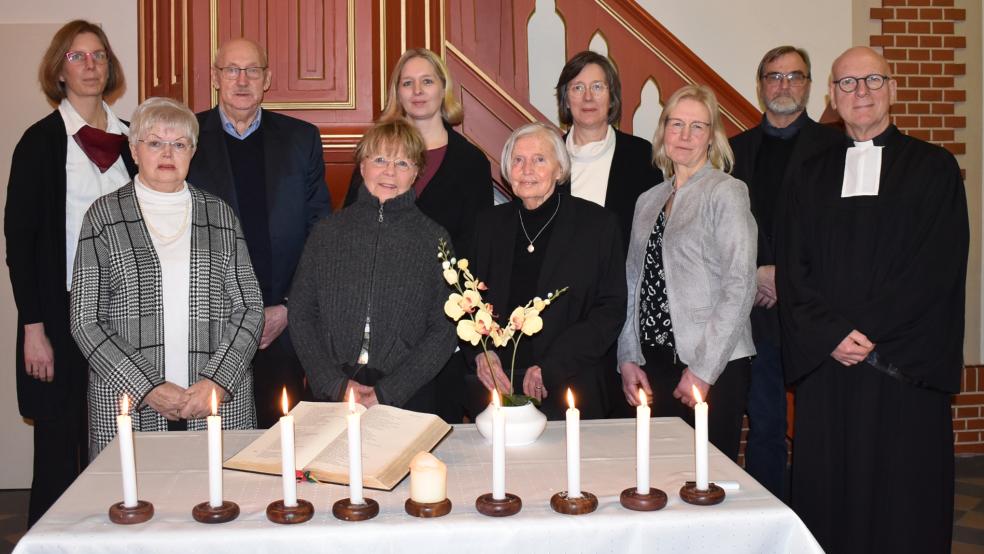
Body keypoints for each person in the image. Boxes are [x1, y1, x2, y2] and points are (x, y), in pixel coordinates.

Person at [777, 46, 968, 554]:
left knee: (903, 506)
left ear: (893, 89)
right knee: (829, 501)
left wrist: (865, 332)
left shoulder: (935, 168)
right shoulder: (809, 174)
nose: (860, 92)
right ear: (832, 99)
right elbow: (793, 269)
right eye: (847, 84)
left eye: (872, 81)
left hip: (900, 370)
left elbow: (936, 266)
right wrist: (830, 335)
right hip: (829, 368)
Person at [70, 97, 264, 456]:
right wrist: (147, 387)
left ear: (192, 152)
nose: (167, 153)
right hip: (130, 402)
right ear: (133, 149)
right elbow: (86, 320)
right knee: (133, 505)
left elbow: (250, 308)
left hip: (216, 401)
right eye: (155, 142)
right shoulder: (104, 218)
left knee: (219, 504)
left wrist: (217, 381)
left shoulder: (220, 215)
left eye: (179, 144)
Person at [4, 20, 136, 526]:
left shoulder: (130, 139)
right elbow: (20, 244)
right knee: (59, 444)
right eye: (77, 57)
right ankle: (54, 539)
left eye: (99, 55)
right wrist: (33, 328)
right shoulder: (39, 143)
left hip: (125, 314)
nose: (90, 66)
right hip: (58, 314)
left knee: (122, 432)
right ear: (58, 70)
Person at [342, 48, 493, 422]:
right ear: (398, 92)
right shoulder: (375, 152)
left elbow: (476, 247)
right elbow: (350, 228)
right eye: (407, 83)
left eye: (427, 81)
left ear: (444, 89)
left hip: (437, 323)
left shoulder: (471, 162)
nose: (418, 90)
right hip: (374, 322)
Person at [187, 37, 331, 428]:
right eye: (231, 69)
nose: (242, 79)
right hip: (210, 325)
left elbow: (320, 232)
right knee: (216, 444)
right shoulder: (186, 139)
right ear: (216, 77)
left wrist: (288, 306)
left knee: (280, 441)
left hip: (281, 323)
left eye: (252, 70)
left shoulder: (301, 139)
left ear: (267, 79)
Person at [618, 85, 757, 461]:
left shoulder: (726, 192)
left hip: (713, 363)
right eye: (676, 124)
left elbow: (741, 283)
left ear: (712, 138)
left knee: (707, 483)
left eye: (698, 127)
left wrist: (703, 370)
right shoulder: (648, 200)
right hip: (655, 362)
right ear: (663, 131)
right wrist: (627, 356)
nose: (684, 135)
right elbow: (633, 283)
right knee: (659, 478)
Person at [728, 45, 842, 500]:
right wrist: (756, 271)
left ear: (810, 86)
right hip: (754, 308)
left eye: (795, 77)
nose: (784, 85)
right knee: (766, 423)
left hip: (814, 307)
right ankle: (769, 513)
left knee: (821, 425)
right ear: (760, 86)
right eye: (774, 77)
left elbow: (837, 232)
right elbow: (721, 229)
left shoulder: (836, 147)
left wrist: (786, 277)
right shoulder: (733, 150)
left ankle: (820, 516)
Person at [289, 118, 457, 410]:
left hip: (406, 395)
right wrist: (332, 383)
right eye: (380, 159)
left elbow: (444, 328)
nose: (390, 171)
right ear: (362, 165)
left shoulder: (434, 239)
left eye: (403, 163)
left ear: (416, 172)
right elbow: (302, 312)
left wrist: (391, 390)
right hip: (332, 391)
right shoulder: (328, 232)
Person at [465, 122, 626, 420]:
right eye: (518, 160)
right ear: (506, 169)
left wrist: (552, 368)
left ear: (559, 169)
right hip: (497, 386)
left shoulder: (598, 226)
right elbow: (467, 300)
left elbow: (610, 310)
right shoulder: (488, 224)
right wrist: (481, 354)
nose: (527, 169)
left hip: (570, 385)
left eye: (539, 159)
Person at [554, 50, 663, 418]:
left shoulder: (640, 156)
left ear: (612, 96)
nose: (587, 97)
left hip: (620, 311)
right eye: (578, 87)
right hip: (559, 319)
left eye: (597, 87)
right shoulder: (547, 157)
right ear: (565, 98)